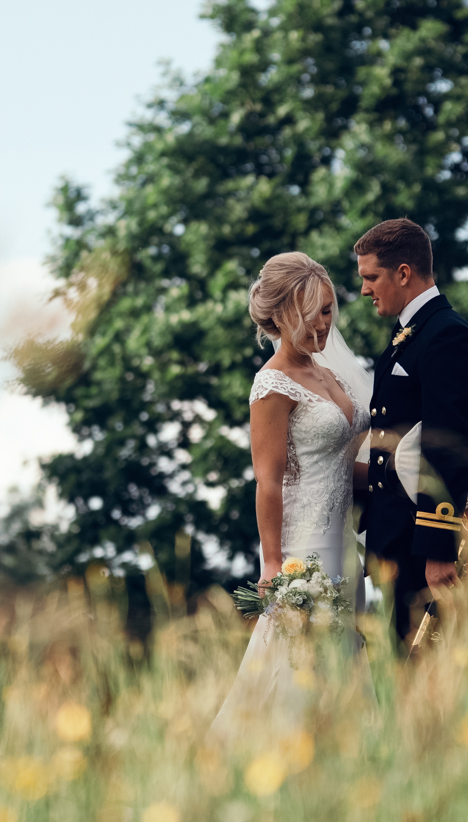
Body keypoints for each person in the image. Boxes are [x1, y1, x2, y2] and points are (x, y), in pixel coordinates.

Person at [207, 252, 371, 747]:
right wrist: (273, 563)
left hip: (346, 547)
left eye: (327, 310)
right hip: (306, 552)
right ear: (280, 315)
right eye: (309, 314)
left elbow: (352, 463)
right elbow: (269, 482)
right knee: (301, 665)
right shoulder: (271, 384)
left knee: (345, 665)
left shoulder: (333, 376)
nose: (322, 325)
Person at [354, 219, 468, 650]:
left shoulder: (446, 335)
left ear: (404, 273)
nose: (364, 290)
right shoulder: (410, 335)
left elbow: (446, 444)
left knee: (430, 676)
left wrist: (438, 549)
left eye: (370, 277)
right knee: (401, 680)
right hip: (398, 542)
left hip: (422, 545)